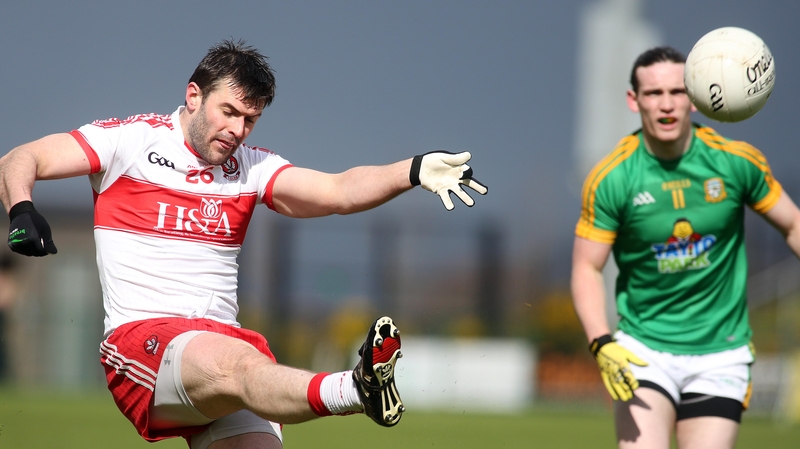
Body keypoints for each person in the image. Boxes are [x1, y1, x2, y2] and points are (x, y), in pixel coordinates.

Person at [0, 39, 487, 449]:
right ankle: (355, 388)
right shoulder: (127, 142)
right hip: (144, 346)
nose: (237, 130)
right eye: (228, 111)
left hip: (223, 348)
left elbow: (338, 191)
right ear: (193, 96)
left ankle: (352, 387)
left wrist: (414, 170)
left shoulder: (252, 167)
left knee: (241, 364)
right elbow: (22, 157)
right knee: (239, 366)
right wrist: (21, 208)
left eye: (249, 119)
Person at [571, 46, 800, 449]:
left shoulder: (735, 163)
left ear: (695, 96)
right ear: (634, 100)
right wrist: (601, 341)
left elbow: (793, 223)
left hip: (721, 353)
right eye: (654, 93)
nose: (666, 104)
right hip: (644, 350)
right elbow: (587, 268)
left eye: (677, 92)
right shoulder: (612, 178)